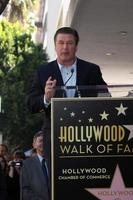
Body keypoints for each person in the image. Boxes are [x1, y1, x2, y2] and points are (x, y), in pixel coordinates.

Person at [27, 26, 109, 167]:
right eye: (61, 43)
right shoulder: (43, 71)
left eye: (70, 43)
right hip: (54, 135)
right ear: (55, 46)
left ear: (76, 47)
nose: (65, 47)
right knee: (57, 183)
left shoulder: (91, 70)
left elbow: (105, 96)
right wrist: (46, 98)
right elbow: (31, 104)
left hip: (86, 134)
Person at [20, 131, 49, 200]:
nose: (44, 143)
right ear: (34, 145)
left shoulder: (56, 162)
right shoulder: (26, 164)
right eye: (41, 141)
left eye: (46, 140)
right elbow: (25, 190)